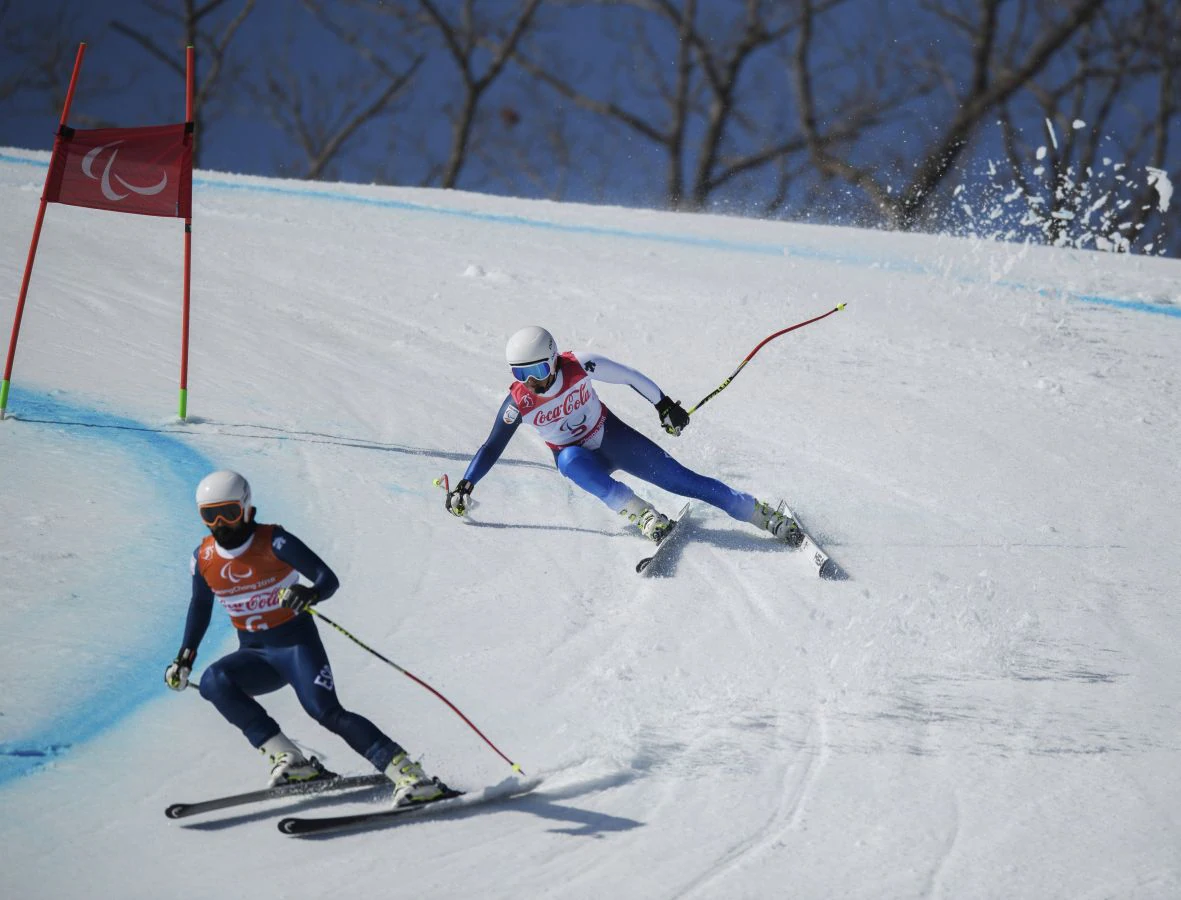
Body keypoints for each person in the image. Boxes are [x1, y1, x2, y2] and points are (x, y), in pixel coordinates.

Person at [164, 470, 443, 806]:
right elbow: (200, 605)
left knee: (325, 712)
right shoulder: (203, 558)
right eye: (210, 515)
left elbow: (328, 579)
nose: (221, 523)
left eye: (229, 513)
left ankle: (411, 775)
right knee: (213, 681)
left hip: (295, 647)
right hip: (256, 656)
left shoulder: (274, 542)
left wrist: (308, 594)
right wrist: (185, 658)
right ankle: (291, 761)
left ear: (247, 508)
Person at [444, 325, 803, 545]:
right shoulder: (519, 402)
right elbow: (492, 446)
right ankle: (643, 515)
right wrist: (466, 484)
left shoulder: (578, 364)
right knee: (567, 461)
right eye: (522, 375)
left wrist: (663, 405)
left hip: (611, 437)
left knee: (683, 481)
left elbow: (629, 375)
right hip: (580, 458)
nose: (532, 382)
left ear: (552, 359)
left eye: (538, 370)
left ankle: (760, 514)